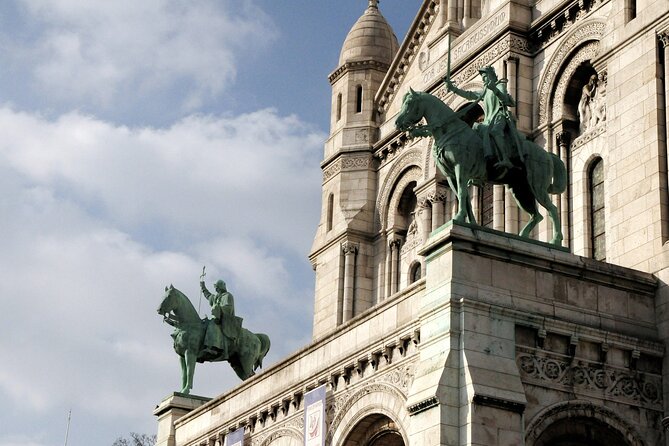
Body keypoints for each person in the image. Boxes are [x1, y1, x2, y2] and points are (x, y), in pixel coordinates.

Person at [444, 66, 524, 171]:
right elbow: (469, 95)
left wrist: (494, 89)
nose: (484, 80)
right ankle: (480, 160)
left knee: (495, 131)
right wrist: (454, 89)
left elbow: (506, 100)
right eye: (483, 78)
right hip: (488, 119)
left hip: (500, 116)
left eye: (485, 77)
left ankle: (505, 158)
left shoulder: (499, 86)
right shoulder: (485, 91)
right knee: (475, 131)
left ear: (491, 76)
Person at [200, 278, 242, 358]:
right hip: (217, 318)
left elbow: (228, 308)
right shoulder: (215, 297)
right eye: (216, 288)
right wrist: (203, 287)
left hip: (226, 320)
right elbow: (208, 295)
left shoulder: (228, 296)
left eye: (217, 287)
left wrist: (218, 308)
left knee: (213, 324)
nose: (216, 289)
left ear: (221, 287)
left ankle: (213, 347)